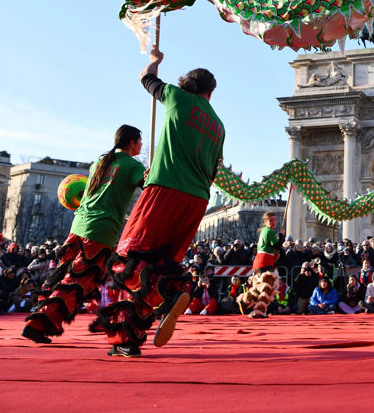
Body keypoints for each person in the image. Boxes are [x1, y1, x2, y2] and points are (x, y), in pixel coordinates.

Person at [90, 48, 225, 357]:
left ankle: (160, 302)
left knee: (129, 258)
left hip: (165, 189)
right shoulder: (219, 126)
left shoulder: (177, 98)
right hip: (197, 200)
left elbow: (145, 78)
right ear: (211, 91)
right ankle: (134, 331)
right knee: (160, 265)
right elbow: (214, 172)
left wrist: (154, 59)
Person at [22, 125, 145, 344]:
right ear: (132, 142)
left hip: (79, 223)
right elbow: (150, 185)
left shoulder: (99, 162)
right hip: (100, 228)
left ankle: (49, 316)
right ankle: (39, 323)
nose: (142, 145)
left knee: (64, 273)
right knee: (80, 279)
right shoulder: (131, 165)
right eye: (140, 141)